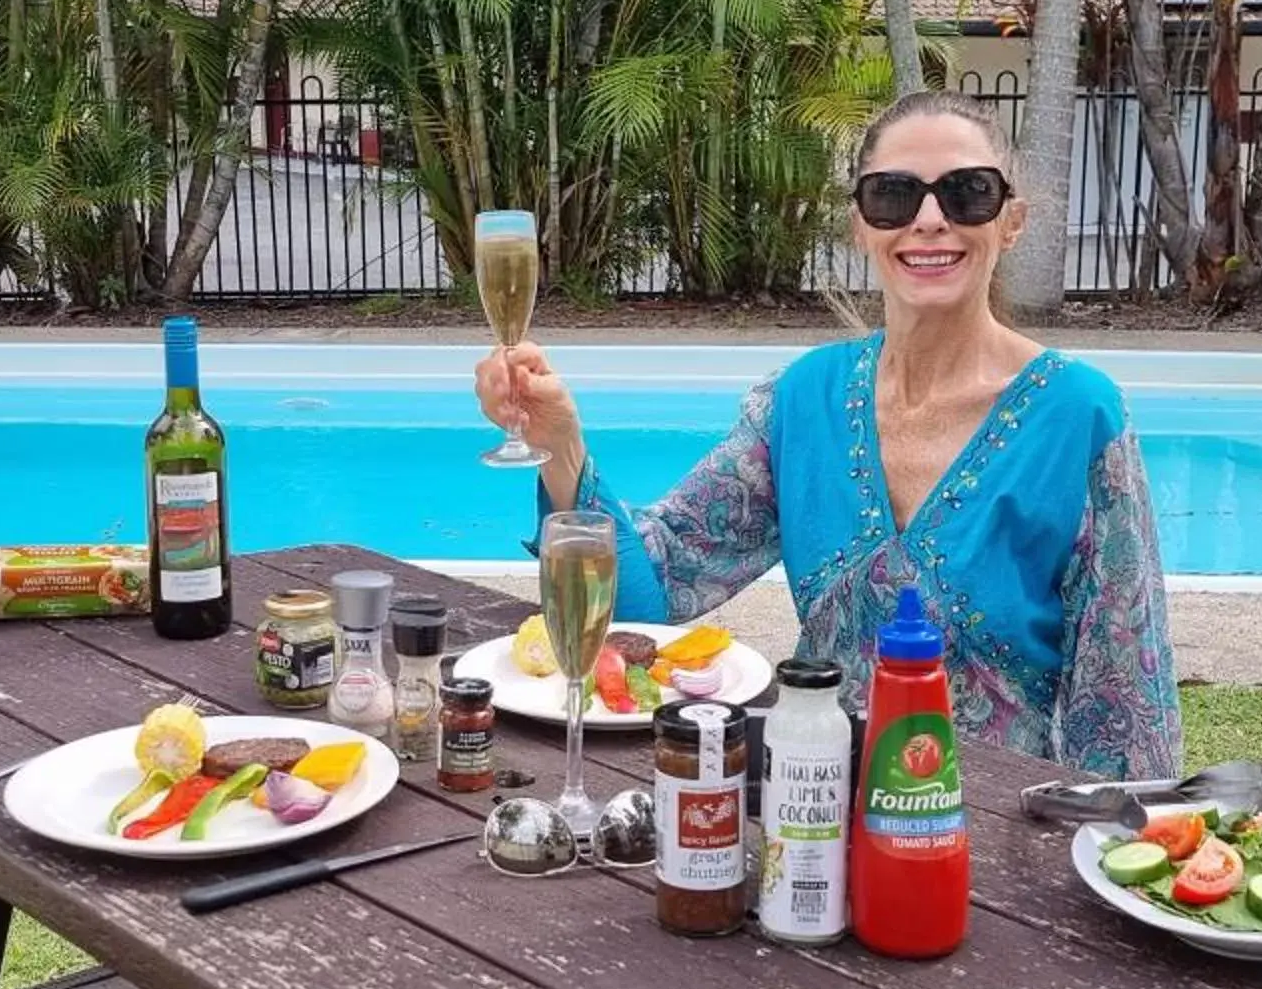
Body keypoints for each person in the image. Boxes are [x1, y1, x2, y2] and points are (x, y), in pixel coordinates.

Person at [476, 91, 1181, 777]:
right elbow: (649, 597)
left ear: (1012, 221)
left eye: (966, 192)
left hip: (992, 840)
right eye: (893, 195)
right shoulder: (804, 400)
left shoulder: (1078, 416)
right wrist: (561, 444)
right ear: (860, 225)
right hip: (814, 809)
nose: (929, 219)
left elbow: (1124, 713)